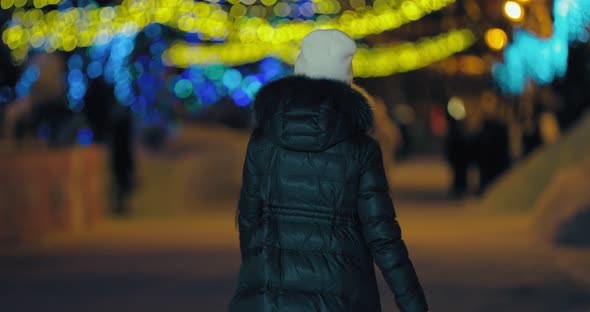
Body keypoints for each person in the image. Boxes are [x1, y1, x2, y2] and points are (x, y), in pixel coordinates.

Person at [229, 29, 428, 312]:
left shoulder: (264, 140)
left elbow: (249, 219)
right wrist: (413, 303)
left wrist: (262, 272)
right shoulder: (362, 148)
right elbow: (382, 236)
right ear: (346, 81)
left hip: (270, 297)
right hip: (341, 297)